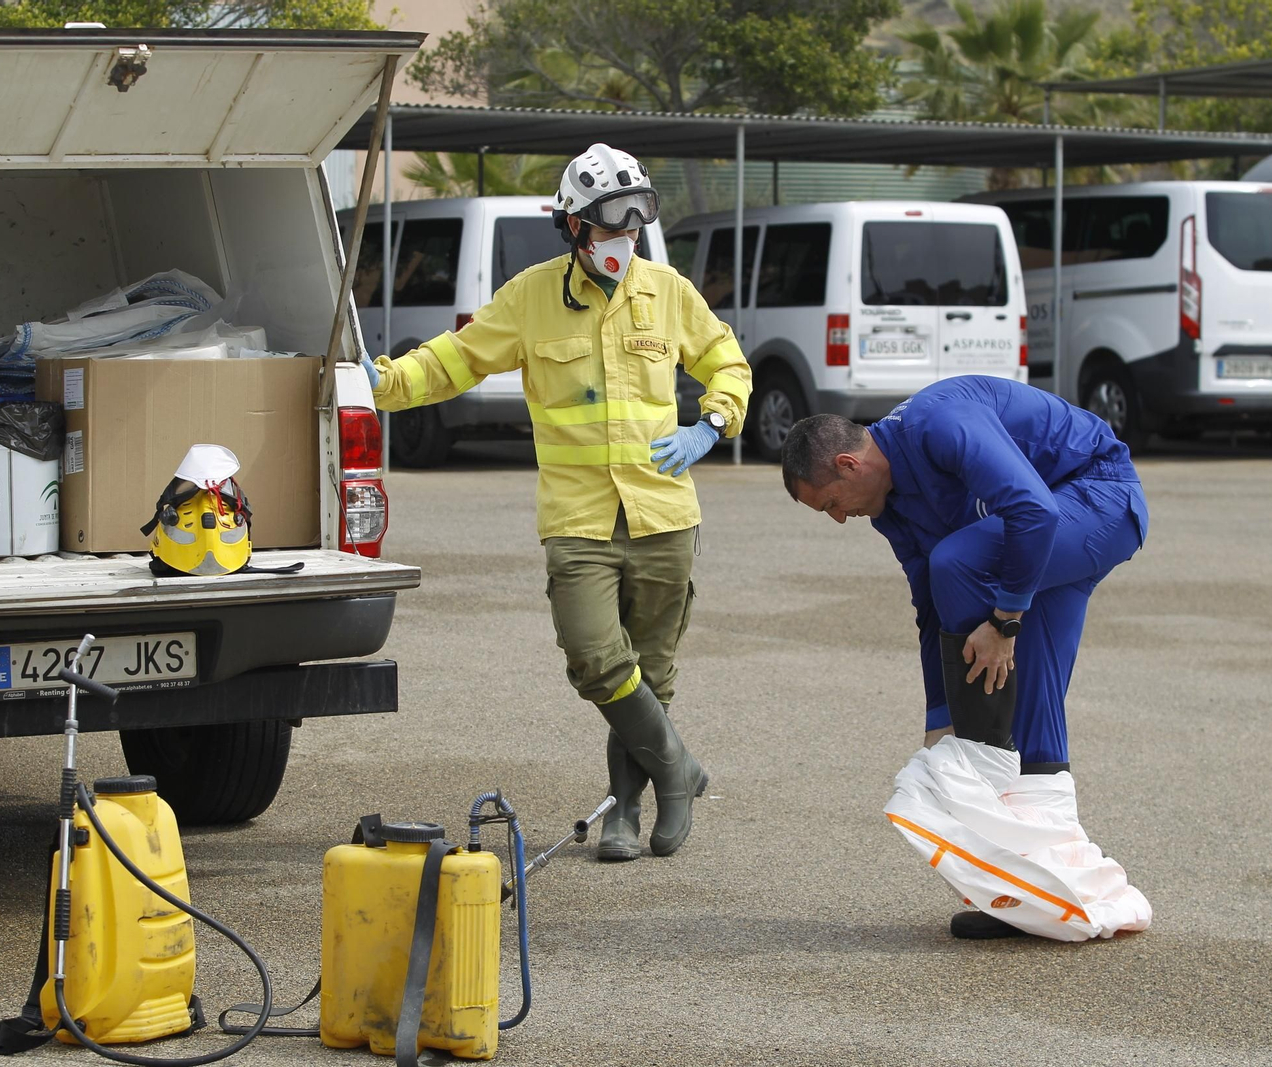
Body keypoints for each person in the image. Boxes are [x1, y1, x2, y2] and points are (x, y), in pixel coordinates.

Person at [363, 144, 752, 861]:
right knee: (595, 659)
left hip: (665, 515)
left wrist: (712, 424)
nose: (625, 239)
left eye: (636, 223)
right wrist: (379, 383)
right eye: (611, 224)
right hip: (579, 520)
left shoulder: (667, 292)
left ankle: (625, 816)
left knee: (652, 671)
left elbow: (727, 361)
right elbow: (455, 360)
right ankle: (677, 768)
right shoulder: (531, 297)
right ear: (573, 226)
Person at [780, 375, 1149, 938]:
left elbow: (1034, 512)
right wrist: (940, 721)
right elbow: (931, 611)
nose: (837, 518)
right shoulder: (891, 510)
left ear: (850, 467)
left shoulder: (937, 423)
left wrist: (1004, 623)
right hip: (1040, 532)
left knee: (956, 561)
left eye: (830, 503)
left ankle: (985, 769)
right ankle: (1043, 890)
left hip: (1097, 494)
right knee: (1034, 693)